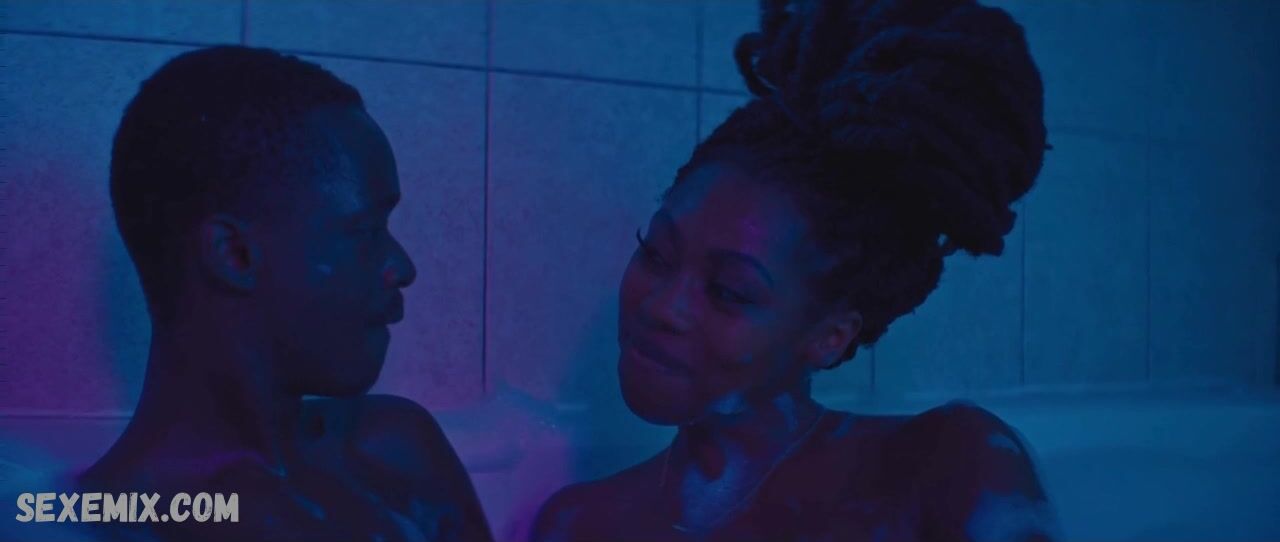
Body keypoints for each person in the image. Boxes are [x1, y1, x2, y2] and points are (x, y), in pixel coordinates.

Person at [532, 0, 1057, 540]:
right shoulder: (576, 524)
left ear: (830, 336)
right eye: (656, 254)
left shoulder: (946, 469)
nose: (663, 307)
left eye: (728, 291)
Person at [73, 46, 493, 542]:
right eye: (365, 229)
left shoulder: (395, 451)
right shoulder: (108, 526)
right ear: (235, 255)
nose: (403, 268)